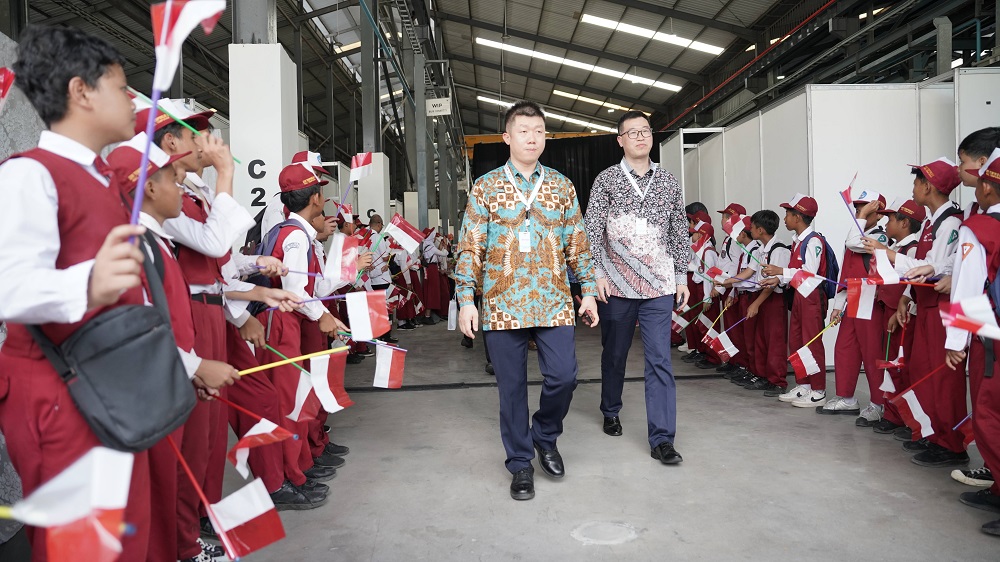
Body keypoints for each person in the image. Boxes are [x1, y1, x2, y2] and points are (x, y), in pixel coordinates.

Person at [0, 25, 152, 560]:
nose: (132, 99)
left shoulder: (100, 178)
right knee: (82, 546)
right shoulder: (30, 176)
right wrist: (88, 283)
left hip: (107, 386)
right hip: (62, 394)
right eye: (122, 86)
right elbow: (10, 286)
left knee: (120, 537)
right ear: (80, 91)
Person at [108, 135, 244, 561]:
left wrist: (191, 371)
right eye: (173, 178)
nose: (180, 187)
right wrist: (195, 366)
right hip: (154, 387)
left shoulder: (157, 243)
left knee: (178, 468)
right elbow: (140, 324)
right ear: (149, 188)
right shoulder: (137, 246)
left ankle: (183, 546)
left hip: (172, 377)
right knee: (160, 482)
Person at [455, 101, 599, 501]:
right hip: (502, 303)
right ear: (507, 137)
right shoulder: (485, 187)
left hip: (554, 300)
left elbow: (578, 243)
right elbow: (470, 246)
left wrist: (588, 291)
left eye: (538, 131)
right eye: (523, 131)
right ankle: (520, 463)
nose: (532, 138)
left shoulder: (561, 186)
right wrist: (466, 299)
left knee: (564, 376)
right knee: (512, 389)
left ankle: (545, 435)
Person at [584, 110, 690, 463]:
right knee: (615, 354)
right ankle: (610, 408)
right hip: (616, 285)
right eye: (633, 132)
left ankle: (662, 439)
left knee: (660, 359)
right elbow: (592, 230)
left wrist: (681, 276)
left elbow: (679, 230)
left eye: (645, 131)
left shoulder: (668, 181)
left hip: (659, 285)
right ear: (621, 140)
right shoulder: (607, 180)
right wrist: (597, 273)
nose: (641, 137)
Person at [865, 159, 966, 466]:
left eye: (916, 181)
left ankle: (952, 445)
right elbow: (924, 268)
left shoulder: (950, 223)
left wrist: (889, 255)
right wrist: (906, 299)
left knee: (944, 378)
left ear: (928, 186)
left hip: (943, 309)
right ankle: (934, 434)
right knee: (924, 374)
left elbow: (934, 269)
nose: (913, 187)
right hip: (925, 307)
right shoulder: (933, 223)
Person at [943, 148, 1000, 534]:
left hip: (991, 334)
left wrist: (956, 340)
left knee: (989, 414)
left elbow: (968, 286)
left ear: (987, 188)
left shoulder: (977, 228)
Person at [822, 192, 889, 421]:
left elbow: (852, 242)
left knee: (872, 353)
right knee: (845, 348)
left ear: (878, 214)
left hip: (871, 299)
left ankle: (878, 404)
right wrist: (838, 305)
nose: (859, 212)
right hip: (854, 297)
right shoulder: (855, 234)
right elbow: (846, 272)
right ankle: (846, 398)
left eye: (865, 209)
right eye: (858, 208)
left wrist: (861, 215)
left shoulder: (880, 237)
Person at [761, 194, 830, 407]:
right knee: (797, 343)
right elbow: (796, 271)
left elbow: (809, 272)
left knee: (812, 343)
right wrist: (778, 278)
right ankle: (804, 384)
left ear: (798, 217)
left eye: (787, 214)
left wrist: (781, 271)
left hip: (812, 298)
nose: (784, 219)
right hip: (799, 296)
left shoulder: (814, 241)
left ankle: (818, 389)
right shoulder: (797, 241)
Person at [869, 199, 922, 433]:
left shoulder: (912, 251)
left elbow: (911, 286)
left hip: (901, 315)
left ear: (904, 223)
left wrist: (901, 309)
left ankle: (905, 418)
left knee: (901, 366)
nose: (886, 223)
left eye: (890, 219)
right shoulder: (897, 249)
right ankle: (893, 413)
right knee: (890, 364)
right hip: (888, 310)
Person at [746, 210, 791, 396]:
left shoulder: (779, 250)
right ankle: (763, 375)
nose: (749, 230)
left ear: (760, 230)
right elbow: (751, 272)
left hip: (773, 299)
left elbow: (773, 284)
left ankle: (777, 380)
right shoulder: (760, 249)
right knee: (761, 339)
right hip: (762, 296)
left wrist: (756, 303)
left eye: (752, 227)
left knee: (775, 341)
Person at [714, 203, 747, 374]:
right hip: (725, 285)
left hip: (731, 286)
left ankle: (740, 363)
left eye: (725, 217)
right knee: (728, 327)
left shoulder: (736, 241)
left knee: (735, 328)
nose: (722, 220)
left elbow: (735, 267)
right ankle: (732, 360)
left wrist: (724, 288)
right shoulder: (729, 239)